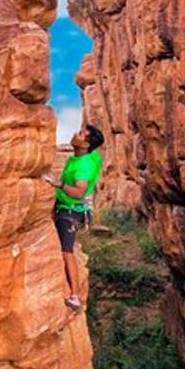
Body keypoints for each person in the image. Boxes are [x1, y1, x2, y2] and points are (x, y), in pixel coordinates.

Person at [44, 124, 105, 311]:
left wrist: (58, 184)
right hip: (71, 209)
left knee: (66, 251)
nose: (74, 134)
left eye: (80, 134)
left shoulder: (84, 166)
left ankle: (75, 296)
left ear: (86, 145)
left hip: (70, 212)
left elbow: (78, 192)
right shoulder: (88, 156)